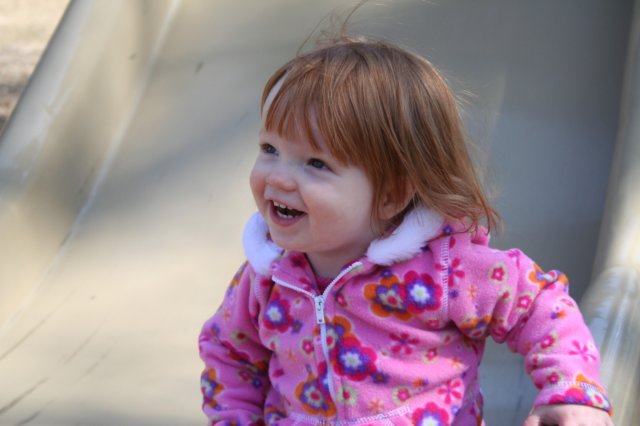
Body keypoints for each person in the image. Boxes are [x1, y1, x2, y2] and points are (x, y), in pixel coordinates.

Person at [198, 36, 613, 425]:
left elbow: (539, 305)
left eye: (316, 164)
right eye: (270, 149)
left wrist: (571, 391)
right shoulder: (267, 278)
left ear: (392, 195)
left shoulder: (444, 271)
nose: (278, 177)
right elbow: (229, 353)